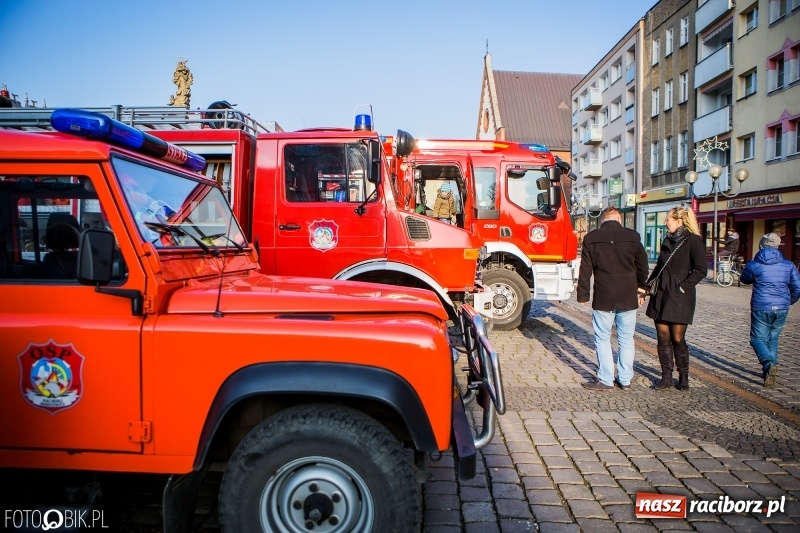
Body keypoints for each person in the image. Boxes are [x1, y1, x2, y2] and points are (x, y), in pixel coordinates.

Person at [577, 207, 649, 390]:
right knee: (626, 338)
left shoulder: (591, 238)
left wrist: (583, 294)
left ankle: (606, 379)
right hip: (628, 295)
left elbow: (585, 270)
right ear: (618, 219)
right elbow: (642, 266)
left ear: (603, 220)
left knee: (602, 338)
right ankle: (625, 380)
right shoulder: (633, 237)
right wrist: (642, 288)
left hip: (604, 295)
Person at [645, 206, 708, 390]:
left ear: (679, 221)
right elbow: (659, 268)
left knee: (678, 338)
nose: (666, 222)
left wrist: (682, 287)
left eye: (668, 219)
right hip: (662, 293)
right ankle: (666, 377)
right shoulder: (667, 239)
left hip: (680, 296)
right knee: (662, 337)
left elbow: (701, 270)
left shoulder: (693, 240)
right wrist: (646, 288)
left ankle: (684, 376)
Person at [739, 233, 800, 387]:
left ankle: (768, 364)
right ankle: (770, 369)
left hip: (761, 305)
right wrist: (789, 301)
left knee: (757, 339)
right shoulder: (789, 265)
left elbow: (744, 279)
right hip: (781, 307)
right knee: (773, 338)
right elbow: (797, 287)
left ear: (762, 245)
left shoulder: (755, 264)